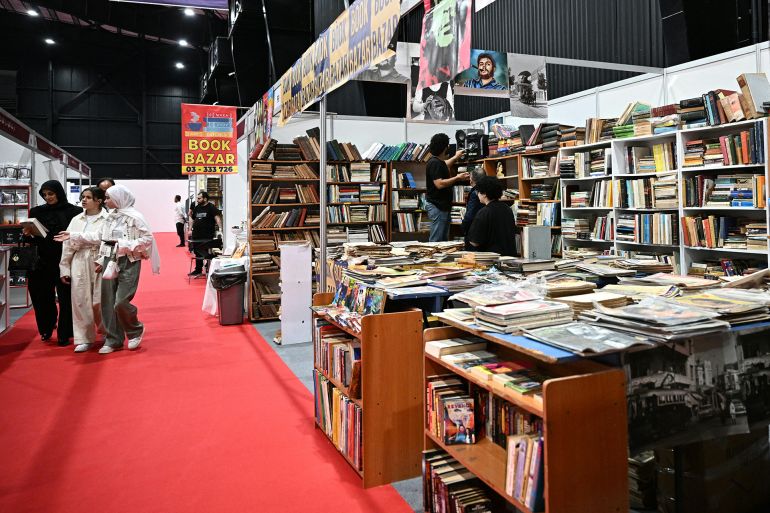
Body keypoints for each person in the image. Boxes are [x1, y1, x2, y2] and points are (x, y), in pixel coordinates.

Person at [54, 184, 160, 354]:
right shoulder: (111, 217)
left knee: (121, 301)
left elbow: (147, 239)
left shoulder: (135, 217)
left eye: (109, 198)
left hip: (130, 260)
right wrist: (74, 235)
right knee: (107, 302)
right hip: (109, 260)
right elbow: (99, 237)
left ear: (119, 199)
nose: (106, 201)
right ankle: (113, 339)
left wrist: (123, 245)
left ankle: (134, 330)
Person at [24, 180, 83, 345]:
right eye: (44, 194)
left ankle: (65, 333)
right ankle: (46, 327)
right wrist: (27, 234)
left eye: (51, 193)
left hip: (64, 260)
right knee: (42, 298)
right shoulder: (36, 211)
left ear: (59, 192)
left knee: (66, 298)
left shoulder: (75, 211)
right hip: (40, 262)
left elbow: (77, 236)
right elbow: (28, 238)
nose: (47, 197)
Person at [59, 187, 109, 352]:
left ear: (99, 200)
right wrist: (64, 268)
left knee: (100, 300)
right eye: (83, 197)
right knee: (80, 299)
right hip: (79, 260)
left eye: (88, 197)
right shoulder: (76, 219)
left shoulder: (107, 218)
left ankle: (108, 332)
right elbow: (67, 245)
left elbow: (108, 241)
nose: (84, 200)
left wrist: (103, 259)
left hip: (99, 260)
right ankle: (84, 337)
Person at [425, 133, 467, 242]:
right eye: (447, 145)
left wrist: (456, 157)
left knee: (443, 240)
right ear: (444, 147)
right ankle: (433, 258)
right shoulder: (434, 163)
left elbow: (444, 165)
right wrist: (457, 178)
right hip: (437, 206)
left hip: (442, 206)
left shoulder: (437, 162)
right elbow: (439, 184)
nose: (449, 147)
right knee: (437, 240)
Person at [467, 176, 517, 256]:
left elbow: (474, 242)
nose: (477, 194)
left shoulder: (484, 212)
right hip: (509, 256)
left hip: (491, 259)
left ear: (485, 194)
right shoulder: (507, 209)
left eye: (478, 192)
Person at [188, 191, 222, 277]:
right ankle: (198, 270)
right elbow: (193, 218)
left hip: (207, 235)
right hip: (196, 234)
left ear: (205, 199)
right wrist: (190, 229)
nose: (197, 200)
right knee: (197, 252)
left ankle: (208, 268)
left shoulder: (211, 207)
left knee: (205, 252)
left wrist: (221, 229)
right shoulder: (197, 207)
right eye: (197, 198)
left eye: (199, 198)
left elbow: (217, 218)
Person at [461, 167, 487, 237]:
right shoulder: (488, 190)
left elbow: (470, 215)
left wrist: (464, 227)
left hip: (474, 231)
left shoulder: (474, 193)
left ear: (471, 181)